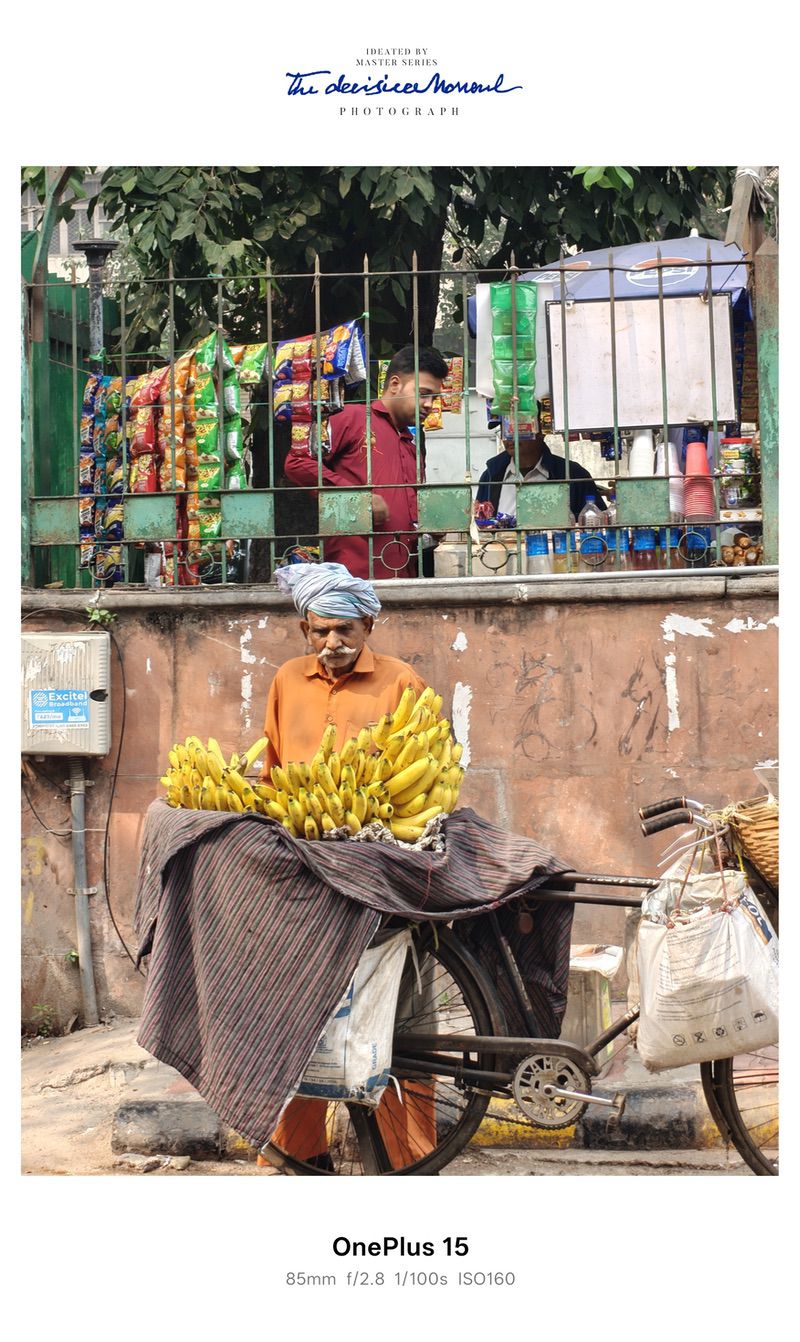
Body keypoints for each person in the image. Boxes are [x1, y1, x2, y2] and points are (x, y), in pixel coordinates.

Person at [258, 561, 434, 1172]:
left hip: (383, 864)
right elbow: (273, 767)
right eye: (320, 632)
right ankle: (298, 1153)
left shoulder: (400, 680)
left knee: (404, 1019)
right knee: (298, 1015)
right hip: (305, 870)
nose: (332, 644)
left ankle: (410, 1157)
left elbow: (432, 769)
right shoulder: (287, 680)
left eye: (344, 631)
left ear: (369, 624)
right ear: (305, 629)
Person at [283, 345, 450, 582]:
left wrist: (432, 524)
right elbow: (297, 462)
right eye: (423, 393)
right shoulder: (352, 418)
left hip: (404, 577)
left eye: (434, 397)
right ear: (395, 384)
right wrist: (356, 497)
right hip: (354, 579)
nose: (429, 405)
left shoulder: (410, 444)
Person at [475, 409, 601, 521]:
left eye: (518, 428)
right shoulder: (491, 475)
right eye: (505, 431)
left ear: (542, 431)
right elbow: (480, 521)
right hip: (502, 547)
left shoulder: (573, 474)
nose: (510, 437)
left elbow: (597, 524)